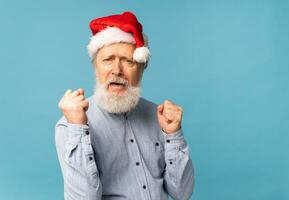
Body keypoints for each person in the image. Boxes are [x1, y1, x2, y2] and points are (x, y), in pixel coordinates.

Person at [55, 11, 194, 200]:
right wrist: (78, 128)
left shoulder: (160, 117)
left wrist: (173, 135)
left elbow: (182, 193)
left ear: (142, 68)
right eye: (108, 60)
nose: (117, 71)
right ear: (95, 65)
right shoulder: (69, 126)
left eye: (128, 61)